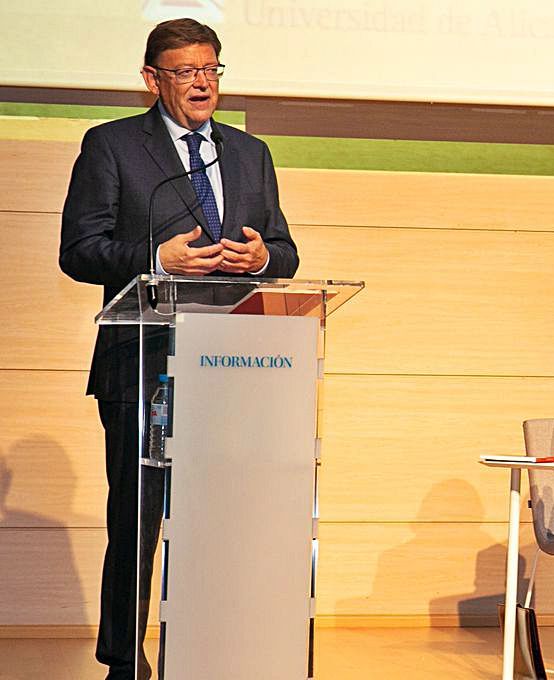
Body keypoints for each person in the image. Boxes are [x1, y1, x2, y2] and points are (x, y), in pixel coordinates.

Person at [59, 18, 299, 679]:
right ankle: (123, 661)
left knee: (221, 523)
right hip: (142, 365)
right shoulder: (111, 147)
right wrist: (152, 258)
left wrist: (262, 257)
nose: (202, 83)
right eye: (187, 72)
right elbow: (78, 251)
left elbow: (284, 248)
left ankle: (214, 648)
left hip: (234, 366)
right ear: (152, 79)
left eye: (211, 70)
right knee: (136, 522)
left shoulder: (249, 153)